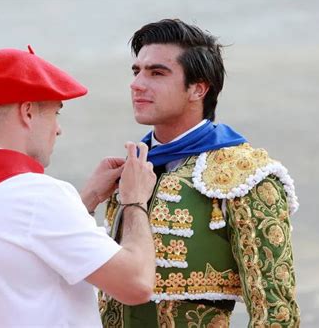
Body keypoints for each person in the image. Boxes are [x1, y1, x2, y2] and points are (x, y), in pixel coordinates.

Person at [0, 46, 157, 327]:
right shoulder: (39, 197)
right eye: (56, 113)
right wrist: (135, 200)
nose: (58, 129)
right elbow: (137, 283)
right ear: (28, 112)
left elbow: (22, 241)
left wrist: (88, 198)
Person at [99, 19, 300, 327]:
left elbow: (276, 313)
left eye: (156, 73)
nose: (137, 83)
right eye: (136, 71)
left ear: (198, 88)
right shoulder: (130, 169)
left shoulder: (245, 178)